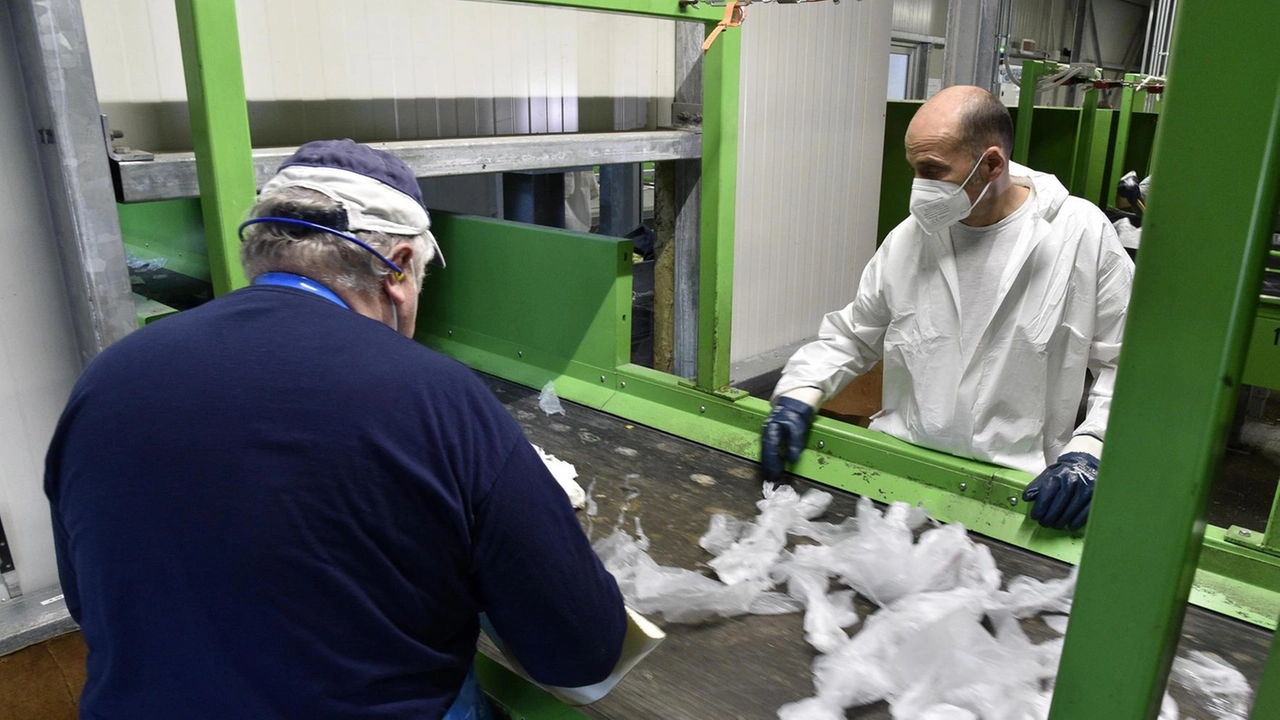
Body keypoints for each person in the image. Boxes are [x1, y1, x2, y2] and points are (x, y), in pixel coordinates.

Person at [44, 140, 626, 719]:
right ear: (398, 268)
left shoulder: (107, 380)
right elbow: (582, 654)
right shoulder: (436, 397)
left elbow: (85, 602)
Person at [761, 87, 1134, 532]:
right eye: (915, 169)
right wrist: (799, 393)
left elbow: (1127, 364)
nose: (918, 187)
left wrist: (1090, 449)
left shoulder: (1080, 235)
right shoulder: (911, 238)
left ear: (993, 164)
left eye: (932, 170)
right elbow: (853, 334)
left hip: (1017, 493)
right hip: (898, 479)